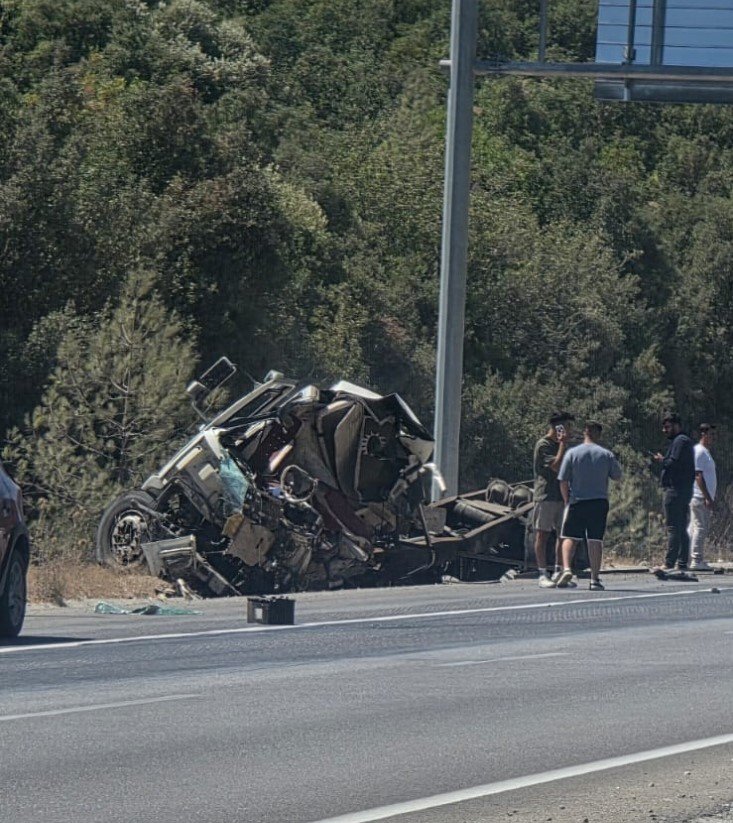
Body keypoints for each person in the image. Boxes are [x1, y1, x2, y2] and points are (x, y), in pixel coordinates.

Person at [555, 421, 622, 591]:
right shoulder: (606, 454)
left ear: (585, 432)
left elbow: (562, 479)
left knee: (570, 536)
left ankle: (567, 568)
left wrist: (566, 499)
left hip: (577, 500)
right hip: (599, 501)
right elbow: (617, 475)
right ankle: (594, 579)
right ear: (598, 434)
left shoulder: (572, 453)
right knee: (595, 540)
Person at [532, 411, 575, 588]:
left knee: (562, 534)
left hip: (562, 495)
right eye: (568, 426)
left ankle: (558, 570)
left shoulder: (563, 446)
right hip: (546, 495)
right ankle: (542, 573)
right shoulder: (544, 445)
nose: (571, 430)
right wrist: (563, 444)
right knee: (543, 534)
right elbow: (556, 467)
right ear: (558, 427)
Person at [651, 412, 696, 572]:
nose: (665, 430)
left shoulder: (680, 441)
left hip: (676, 490)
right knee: (680, 526)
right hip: (682, 490)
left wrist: (662, 460)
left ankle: (669, 563)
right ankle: (682, 562)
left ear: (677, 426)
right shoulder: (684, 441)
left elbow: (673, 463)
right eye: (664, 427)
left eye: (668, 427)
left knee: (673, 527)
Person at [689, 423, 717, 571]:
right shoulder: (699, 452)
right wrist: (707, 497)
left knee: (693, 528)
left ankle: (685, 558)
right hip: (700, 497)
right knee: (700, 528)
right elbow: (698, 476)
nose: (713, 438)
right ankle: (697, 559)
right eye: (710, 435)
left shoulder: (705, 452)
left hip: (700, 496)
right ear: (703, 435)